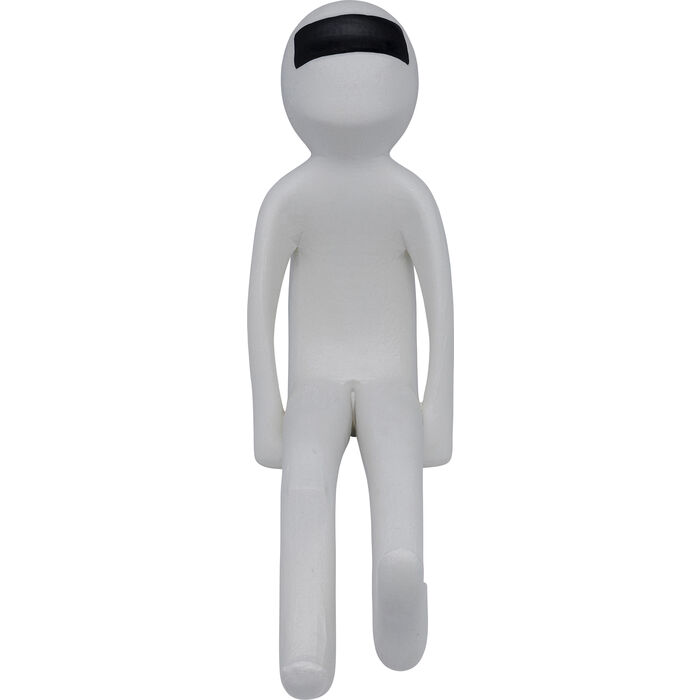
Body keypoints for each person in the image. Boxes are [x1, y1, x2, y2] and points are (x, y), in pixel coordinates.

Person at [247, 3, 453, 696]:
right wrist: (268, 413)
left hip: (380, 381)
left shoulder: (404, 196)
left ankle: (398, 581)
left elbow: (441, 304)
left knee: (385, 474)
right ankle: (307, 642)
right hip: (321, 382)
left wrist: (436, 411)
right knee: (308, 482)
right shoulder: (291, 200)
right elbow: (259, 306)